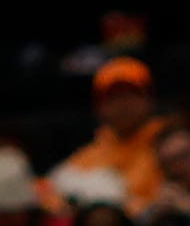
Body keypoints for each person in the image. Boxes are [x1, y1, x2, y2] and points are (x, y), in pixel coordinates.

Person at [50, 59, 167, 215]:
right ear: (99, 108)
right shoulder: (92, 153)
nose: (123, 105)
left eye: (131, 94)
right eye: (112, 97)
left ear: (150, 99)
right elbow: (46, 189)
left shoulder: (172, 145)